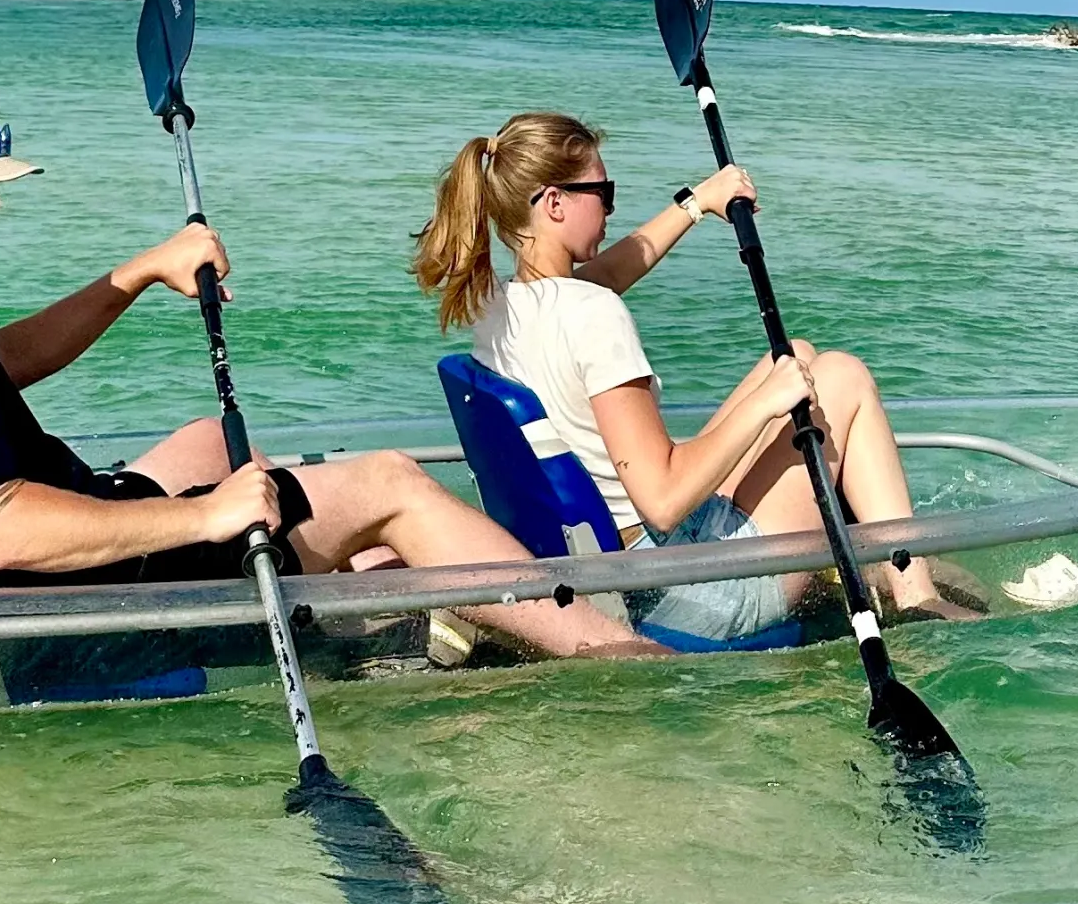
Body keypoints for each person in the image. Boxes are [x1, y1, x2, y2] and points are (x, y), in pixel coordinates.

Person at [0, 73, 661, 695]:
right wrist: (210, 516)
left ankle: (370, 616)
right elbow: (5, 533)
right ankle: (608, 652)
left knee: (211, 437)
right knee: (391, 481)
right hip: (72, 612)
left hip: (14, 579)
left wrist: (138, 273)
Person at [411, 110, 984, 649]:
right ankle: (916, 596)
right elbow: (661, 503)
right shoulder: (592, 315)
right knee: (842, 376)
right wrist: (765, 406)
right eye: (603, 194)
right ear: (555, 202)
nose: (611, 210)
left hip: (605, 563)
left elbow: (603, 276)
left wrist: (696, 203)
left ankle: (881, 555)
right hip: (687, 591)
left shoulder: (495, 302)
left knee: (799, 355)